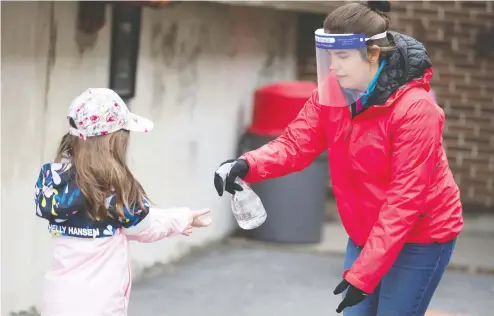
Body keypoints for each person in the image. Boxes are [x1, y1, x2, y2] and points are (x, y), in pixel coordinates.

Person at [214, 1, 463, 315]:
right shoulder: (333, 92)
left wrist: (363, 273)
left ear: (373, 54)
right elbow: (295, 144)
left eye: (343, 57)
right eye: (330, 57)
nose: (333, 67)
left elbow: (405, 199)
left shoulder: (416, 108)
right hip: (364, 233)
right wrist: (247, 164)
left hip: (420, 237)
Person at [35, 88, 212, 316]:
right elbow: (144, 227)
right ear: (112, 142)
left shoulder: (53, 180)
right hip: (98, 306)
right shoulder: (112, 187)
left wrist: (175, 217)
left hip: (56, 301)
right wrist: (182, 218)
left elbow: (128, 221)